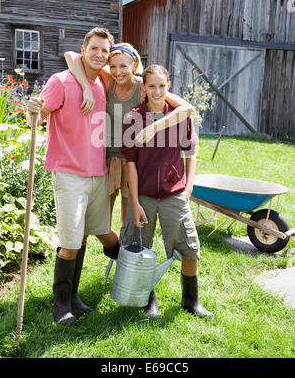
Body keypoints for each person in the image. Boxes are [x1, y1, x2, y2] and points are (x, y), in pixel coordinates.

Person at [26, 27, 119, 326]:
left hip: (98, 174)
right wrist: (32, 111)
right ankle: (61, 306)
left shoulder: (101, 84)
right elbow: (38, 115)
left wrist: (89, 86)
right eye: (94, 48)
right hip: (69, 175)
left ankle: (74, 296)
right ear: (84, 49)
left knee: (83, 238)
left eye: (104, 50)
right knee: (69, 242)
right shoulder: (60, 81)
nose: (99, 54)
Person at [65, 44, 194, 229]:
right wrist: (86, 87)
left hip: (132, 160)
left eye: (123, 66)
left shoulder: (143, 87)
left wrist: (154, 128)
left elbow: (187, 109)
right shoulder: (109, 80)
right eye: (113, 66)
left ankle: (124, 252)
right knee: (100, 220)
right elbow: (71, 55)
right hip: (106, 157)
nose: (118, 72)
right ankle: (108, 245)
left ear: (134, 66)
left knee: (128, 217)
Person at [120, 65, 213, 319]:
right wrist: (135, 202)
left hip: (174, 194)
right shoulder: (133, 119)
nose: (157, 91)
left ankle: (191, 301)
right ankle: (147, 301)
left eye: (162, 86)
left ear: (169, 86)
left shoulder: (181, 117)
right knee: (139, 247)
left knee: (189, 248)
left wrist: (189, 186)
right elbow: (130, 163)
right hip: (145, 197)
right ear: (144, 88)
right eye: (152, 86)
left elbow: (191, 153)